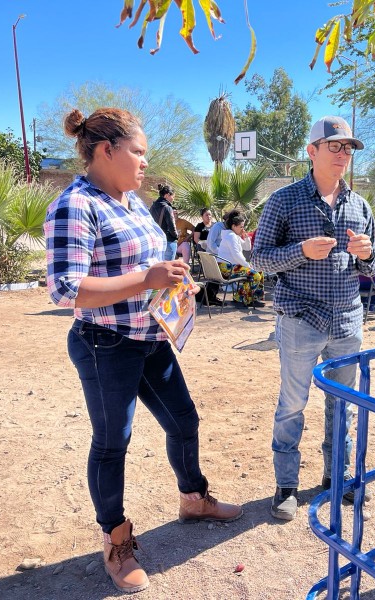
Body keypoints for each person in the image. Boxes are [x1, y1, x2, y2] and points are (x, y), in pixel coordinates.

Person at [44, 107, 243, 594]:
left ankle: (193, 498)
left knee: (184, 422)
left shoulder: (132, 202)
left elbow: (154, 264)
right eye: (138, 153)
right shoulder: (76, 204)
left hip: (151, 337)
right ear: (106, 150)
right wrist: (147, 278)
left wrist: (177, 284)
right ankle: (116, 541)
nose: (143, 164)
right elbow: (65, 289)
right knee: (113, 444)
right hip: (105, 345)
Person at [252, 115, 375, 521]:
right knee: (293, 403)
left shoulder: (360, 206)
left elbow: (374, 267)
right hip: (300, 318)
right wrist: (300, 252)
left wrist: (367, 255)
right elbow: (259, 259)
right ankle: (286, 485)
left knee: (343, 405)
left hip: (347, 321)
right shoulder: (284, 201)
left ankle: (335, 477)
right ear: (312, 151)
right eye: (335, 146)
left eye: (348, 148)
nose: (344, 154)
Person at [216, 210, 266, 308]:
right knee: (255, 275)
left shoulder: (234, 235)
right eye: (241, 227)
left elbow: (247, 247)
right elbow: (236, 255)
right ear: (234, 226)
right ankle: (243, 299)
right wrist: (249, 266)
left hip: (233, 267)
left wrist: (246, 237)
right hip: (226, 268)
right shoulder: (231, 236)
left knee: (260, 272)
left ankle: (250, 298)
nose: (242, 229)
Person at [149, 184, 179, 261]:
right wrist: (176, 236)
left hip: (155, 240)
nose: (173, 199)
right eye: (173, 197)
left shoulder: (153, 206)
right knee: (168, 267)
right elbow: (171, 226)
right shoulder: (167, 208)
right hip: (168, 240)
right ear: (167, 195)